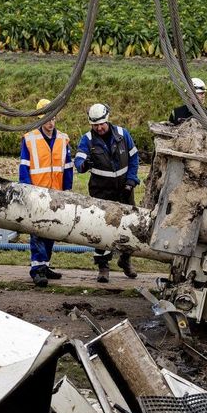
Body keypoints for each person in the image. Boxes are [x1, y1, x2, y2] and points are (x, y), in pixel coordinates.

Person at [76, 103, 139, 283]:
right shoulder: (87, 139)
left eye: (101, 124)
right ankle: (103, 266)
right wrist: (83, 165)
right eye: (95, 125)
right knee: (100, 228)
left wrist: (131, 180)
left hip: (124, 189)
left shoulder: (122, 134)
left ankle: (125, 260)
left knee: (129, 226)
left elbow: (134, 157)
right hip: (101, 191)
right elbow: (79, 160)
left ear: (107, 119)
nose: (99, 128)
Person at [20, 99, 74, 287]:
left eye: (53, 119)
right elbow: (24, 167)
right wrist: (27, 190)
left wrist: (67, 190)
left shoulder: (63, 139)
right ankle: (37, 269)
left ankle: (45, 265)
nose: (50, 123)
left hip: (56, 193)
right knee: (37, 230)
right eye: (47, 119)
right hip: (37, 193)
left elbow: (67, 167)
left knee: (52, 229)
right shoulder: (29, 139)